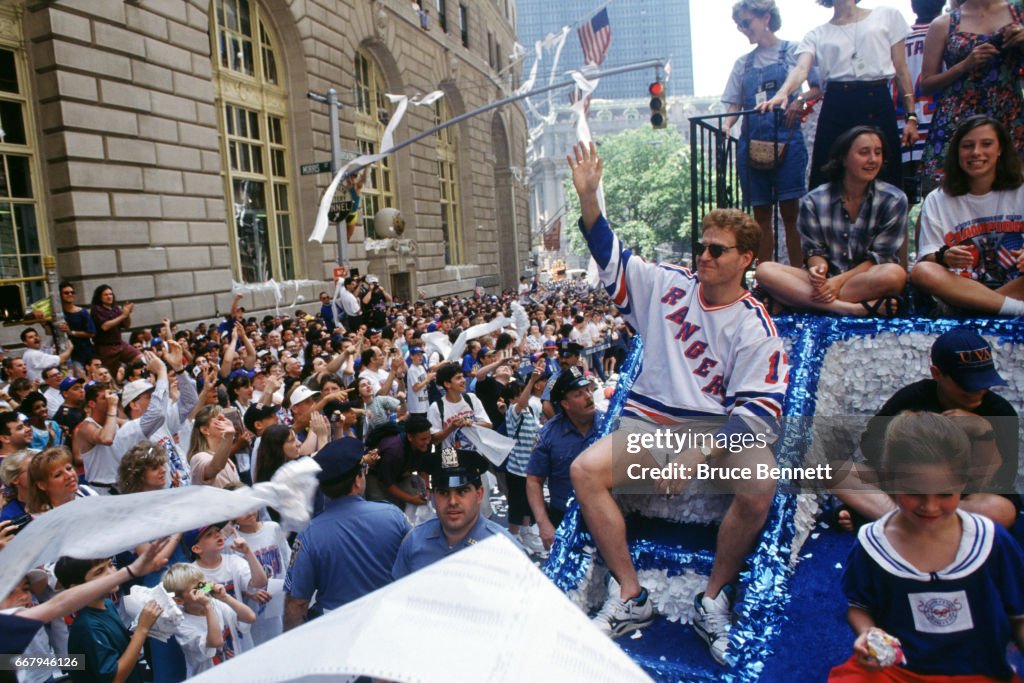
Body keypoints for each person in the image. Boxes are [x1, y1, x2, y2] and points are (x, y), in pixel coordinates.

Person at [566, 142, 787, 664]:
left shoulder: (757, 327)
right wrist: (590, 198)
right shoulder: (666, 285)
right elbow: (608, 251)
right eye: (701, 246)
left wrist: (695, 452)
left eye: (718, 250)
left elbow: (756, 415)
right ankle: (630, 594)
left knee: (760, 485)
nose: (704, 256)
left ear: (746, 260)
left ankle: (714, 597)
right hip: (652, 421)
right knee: (583, 470)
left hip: (716, 431)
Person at [829, 412, 1024, 681]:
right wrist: (868, 634)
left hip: (979, 673)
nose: (930, 506)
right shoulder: (874, 543)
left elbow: (1019, 617)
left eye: (945, 494)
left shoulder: (991, 540)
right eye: (915, 493)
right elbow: (860, 606)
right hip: (899, 672)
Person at [831, 327, 1019, 530]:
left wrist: (983, 431)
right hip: (907, 486)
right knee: (833, 471)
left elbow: (1000, 478)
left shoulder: (999, 410)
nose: (977, 390)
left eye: (984, 382)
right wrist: (910, 435)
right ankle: (908, 519)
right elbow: (871, 447)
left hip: (960, 494)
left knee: (1001, 511)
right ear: (937, 374)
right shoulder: (913, 398)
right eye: (966, 384)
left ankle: (893, 519)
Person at [759, 0, 917, 190]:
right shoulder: (817, 34)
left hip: (876, 99)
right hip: (837, 103)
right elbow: (801, 69)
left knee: (883, 173)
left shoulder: (887, 15)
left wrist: (911, 116)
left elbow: (901, 69)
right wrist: (783, 92)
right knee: (829, 174)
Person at [754, 126, 908, 316]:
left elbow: (879, 258)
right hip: (824, 282)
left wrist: (838, 282)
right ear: (843, 158)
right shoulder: (814, 200)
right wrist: (818, 269)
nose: (873, 159)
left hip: (864, 279)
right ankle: (851, 309)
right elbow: (814, 252)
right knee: (764, 270)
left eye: (878, 153)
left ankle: (794, 302)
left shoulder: (894, 199)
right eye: (864, 152)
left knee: (895, 274)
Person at [722, 0, 819, 265]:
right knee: (760, 214)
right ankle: (765, 277)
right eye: (739, 25)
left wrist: (800, 102)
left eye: (746, 22)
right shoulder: (742, 64)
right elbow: (734, 103)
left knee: (791, 211)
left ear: (765, 17)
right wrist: (727, 125)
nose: (743, 29)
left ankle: (797, 273)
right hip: (751, 142)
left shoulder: (793, 52)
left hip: (786, 138)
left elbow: (817, 87)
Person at [284, 438, 410, 628]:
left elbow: (297, 603)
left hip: (336, 629)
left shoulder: (309, 534)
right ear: (358, 480)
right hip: (389, 621)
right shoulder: (392, 516)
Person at [909, 115, 1024, 316]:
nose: (976, 152)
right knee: (922, 271)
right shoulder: (937, 199)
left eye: (986, 144)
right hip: (961, 289)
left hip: (1015, 287)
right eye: (967, 146)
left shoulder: (1020, 190)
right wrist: (943, 256)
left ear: (1000, 150)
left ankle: (984, 309)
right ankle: (1014, 310)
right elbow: (927, 256)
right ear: (957, 153)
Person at [918, 0, 1024, 194]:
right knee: (950, 190)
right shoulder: (945, 23)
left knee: (1013, 188)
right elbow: (926, 84)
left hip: (1009, 114)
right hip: (957, 118)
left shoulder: (1018, 11)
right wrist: (965, 65)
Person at [392, 447, 518, 579]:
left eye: (462, 491)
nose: (452, 501)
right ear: (433, 496)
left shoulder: (506, 551)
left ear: (479, 494)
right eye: (443, 492)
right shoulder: (414, 542)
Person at [527, 366, 602, 551]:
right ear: (565, 404)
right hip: (564, 515)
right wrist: (543, 524)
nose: (588, 396)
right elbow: (534, 481)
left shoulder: (609, 425)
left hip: (607, 511)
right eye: (578, 394)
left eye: (588, 389)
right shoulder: (548, 435)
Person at [54, 556, 163, 683]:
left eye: (111, 565)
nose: (112, 573)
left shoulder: (107, 604)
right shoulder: (87, 627)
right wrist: (142, 629)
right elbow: (114, 678)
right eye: (99, 572)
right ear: (76, 588)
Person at [160, 563, 256, 675]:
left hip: (234, 672)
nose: (204, 591)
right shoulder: (182, 625)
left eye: (203, 585)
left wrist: (225, 598)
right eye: (196, 591)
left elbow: (250, 617)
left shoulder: (215, 603)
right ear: (180, 601)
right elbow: (217, 642)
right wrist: (207, 606)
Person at [894, 0, 946, 204]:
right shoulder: (950, 34)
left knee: (903, 200)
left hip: (902, 125)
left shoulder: (898, 38)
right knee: (937, 198)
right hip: (937, 124)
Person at [364, 414, 433, 508]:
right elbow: (385, 483)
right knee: (387, 509)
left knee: (421, 499)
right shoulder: (394, 452)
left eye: (429, 438)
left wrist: (427, 489)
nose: (427, 442)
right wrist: (411, 499)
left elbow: (423, 468)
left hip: (399, 474)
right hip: (377, 477)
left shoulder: (424, 444)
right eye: (423, 439)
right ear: (410, 437)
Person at [427, 361, 491, 449]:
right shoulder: (436, 407)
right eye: (458, 378)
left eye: (463, 377)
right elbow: (433, 440)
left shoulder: (471, 398)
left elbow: (489, 425)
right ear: (447, 384)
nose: (464, 380)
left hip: (475, 454)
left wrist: (472, 423)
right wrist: (452, 427)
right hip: (450, 458)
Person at [90, 285, 141, 375]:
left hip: (119, 343)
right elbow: (105, 326)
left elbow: (127, 326)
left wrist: (127, 313)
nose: (109, 296)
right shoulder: (96, 309)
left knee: (139, 357)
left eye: (110, 294)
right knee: (112, 373)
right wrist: (123, 315)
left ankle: (131, 376)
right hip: (106, 347)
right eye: (105, 295)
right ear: (100, 297)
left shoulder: (115, 308)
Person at [59, 281, 96, 378]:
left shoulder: (82, 312)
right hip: (66, 353)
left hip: (85, 351)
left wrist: (71, 332)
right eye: (66, 293)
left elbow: (92, 333)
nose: (70, 294)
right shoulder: (58, 315)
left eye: (72, 292)